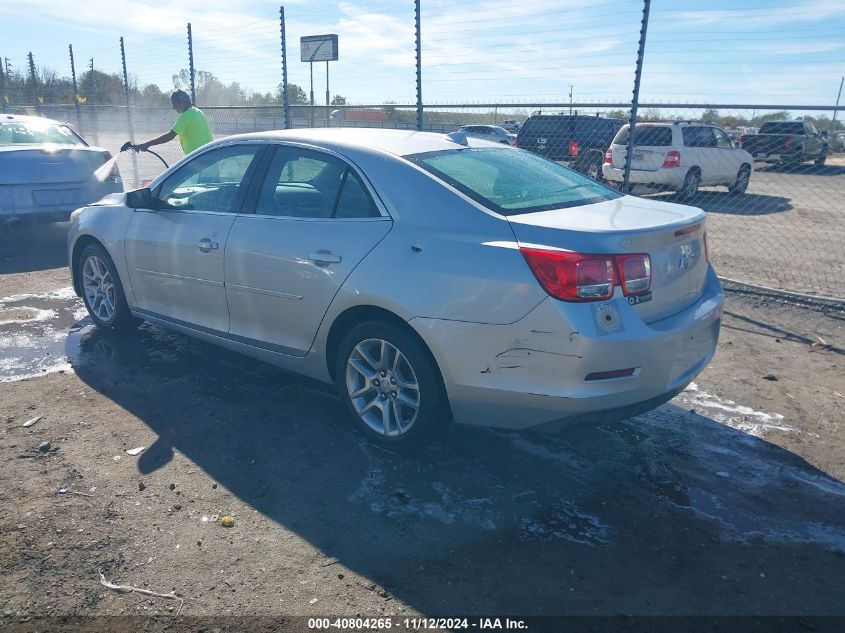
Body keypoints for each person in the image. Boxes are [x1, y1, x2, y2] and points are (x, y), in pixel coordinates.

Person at [132, 90, 212, 156]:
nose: (174, 107)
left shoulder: (186, 116)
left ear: (181, 102)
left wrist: (146, 144)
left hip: (200, 160)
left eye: (174, 104)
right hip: (206, 157)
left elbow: (170, 136)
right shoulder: (197, 112)